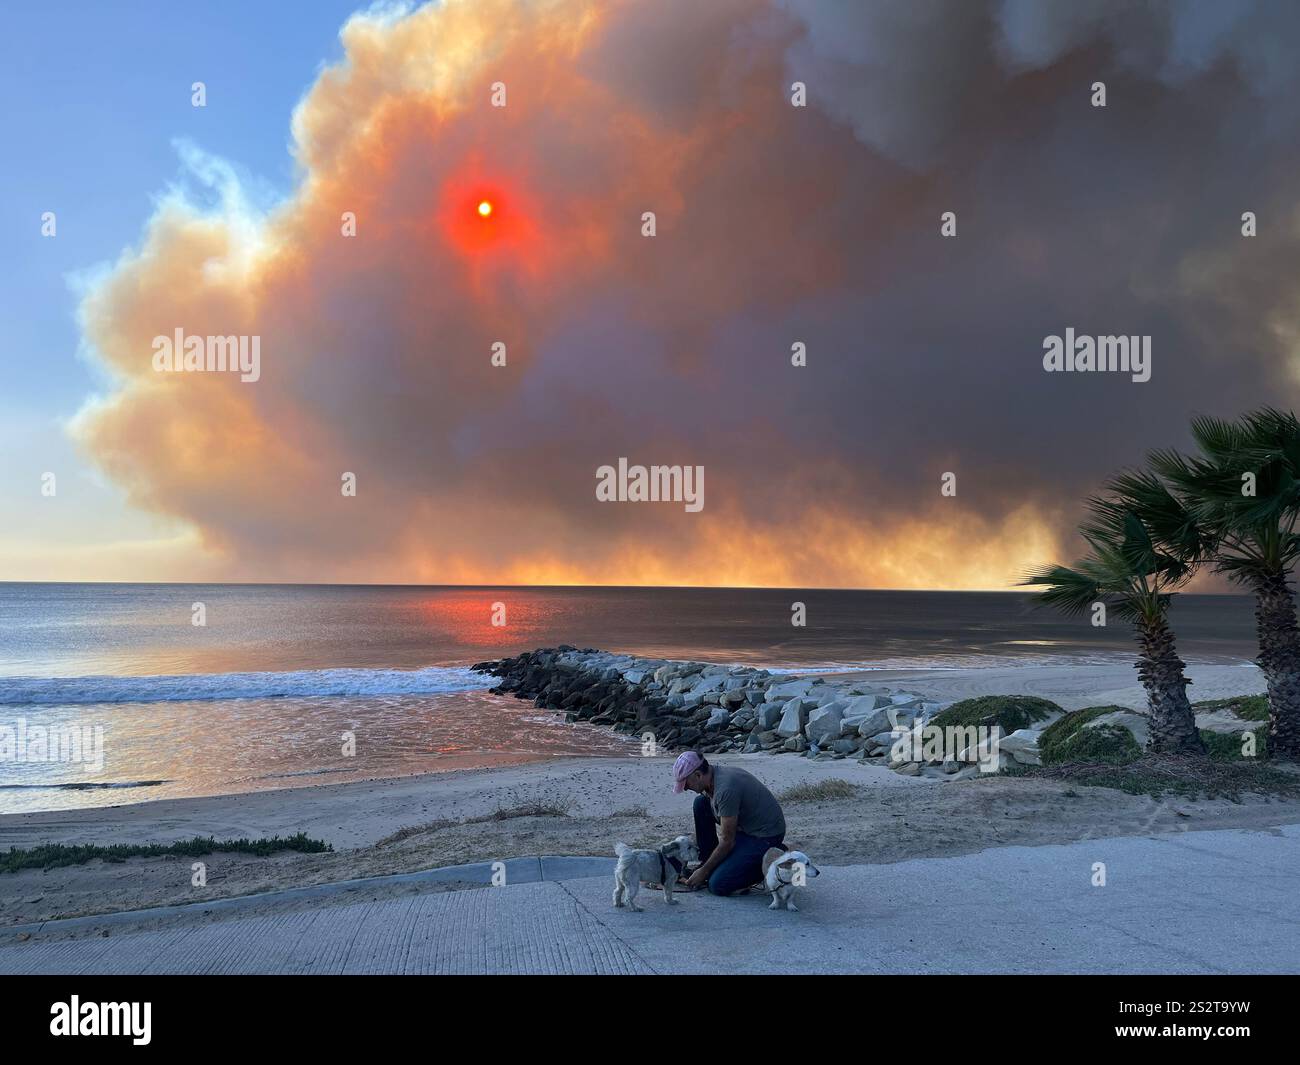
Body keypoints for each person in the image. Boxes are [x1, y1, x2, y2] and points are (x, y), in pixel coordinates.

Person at [672, 750, 786, 896]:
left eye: (686, 783)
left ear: (698, 775)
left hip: (765, 836)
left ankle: (776, 858)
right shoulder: (711, 779)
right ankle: (708, 862)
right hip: (744, 829)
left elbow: (727, 841)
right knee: (700, 803)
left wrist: (705, 872)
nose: (686, 788)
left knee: (718, 884)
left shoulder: (725, 790)